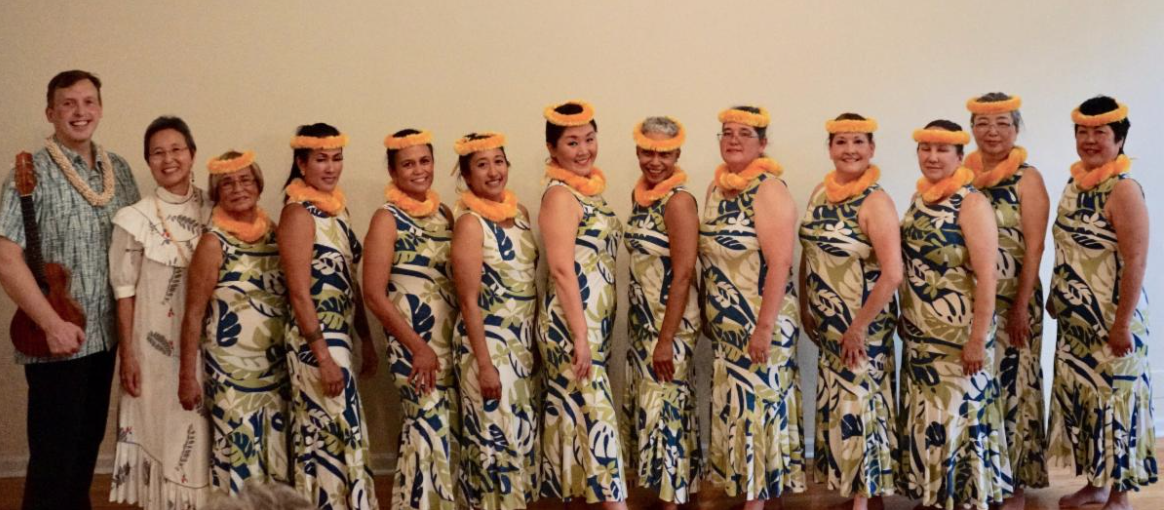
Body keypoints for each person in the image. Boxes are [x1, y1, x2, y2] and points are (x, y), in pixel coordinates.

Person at [0, 69, 140, 510]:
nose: (80, 112)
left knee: (85, 446)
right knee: (53, 456)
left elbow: (138, 244)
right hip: (57, 337)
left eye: (88, 101)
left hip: (106, 335)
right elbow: (5, 257)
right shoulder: (30, 173)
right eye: (68, 103)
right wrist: (51, 324)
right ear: (51, 112)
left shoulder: (119, 169)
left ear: (100, 108)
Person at [1048, 97, 1156, 510]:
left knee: (1115, 409)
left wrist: (1122, 323)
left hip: (1113, 323)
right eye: (1083, 132)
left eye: (1101, 133)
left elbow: (1136, 260)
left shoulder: (1123, 190)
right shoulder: (1074, 184)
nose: (1090, 140)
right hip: (1076, 324)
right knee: (1087, 406)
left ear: (1120, 139)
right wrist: (1057, 295)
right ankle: (1095, 485)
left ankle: (1120, 495)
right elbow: (1067, 248)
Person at [897, 121, 1011, 509]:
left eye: (942, 150)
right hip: (921, 335)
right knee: (928, 414)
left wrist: (978, 339)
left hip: (959, 334)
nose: (932, 157)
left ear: (960, 156)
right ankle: (934, 495)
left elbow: (988, 276)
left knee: (958, 414)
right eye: (925, 148)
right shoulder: (918, 199)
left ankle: (964, 497)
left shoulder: (971, 203)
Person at [700, 105, 804, 510]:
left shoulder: (769, 190)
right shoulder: (715, 190)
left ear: (763, 143)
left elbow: (780, 263)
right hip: (728, 327)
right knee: (739, 410)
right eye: (727, 132)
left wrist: (763, 327)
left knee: (758, 409)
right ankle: (756, 492)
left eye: (744, 134)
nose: (733, 140)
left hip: (763, 321)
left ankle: (756, 501)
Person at [107, 115, 213, 509]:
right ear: (148, 161)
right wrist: (128, 355)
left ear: (192, 154)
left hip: (210, 344)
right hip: (152, 350)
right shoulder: (135, 218)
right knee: (164, 432)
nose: (169, 160)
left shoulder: (215, 208)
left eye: (176, 150)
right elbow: (124, 292)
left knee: (204, 436)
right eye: (157, 153)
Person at [798, 114, 900, 510]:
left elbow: (892, 274)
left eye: (858, 142)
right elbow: (809, 251)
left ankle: (863, 501)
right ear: (830, 148)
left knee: (861, 411)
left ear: (871, 148)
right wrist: (806, 304)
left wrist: (858, 328)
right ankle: (863, 496)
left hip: (862, 330)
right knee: (840, 410)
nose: (850, 150)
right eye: (841, 142)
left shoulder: (877, 201)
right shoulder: (819, 193)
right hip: (829, 328)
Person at [277, 123, 379, 509]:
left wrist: (365, 338)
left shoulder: (338, 211)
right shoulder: (298, 214)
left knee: (344, 432)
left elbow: (349, 281)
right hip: (314, 343)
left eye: (337, 158)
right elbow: (299, 292)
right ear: (302, 164)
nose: (331, 167)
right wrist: (322, 355)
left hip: (341, 339)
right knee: (325, 437)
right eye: (321, 159)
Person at [178, 150, 290, 494]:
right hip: (231, 372)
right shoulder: (213, 243)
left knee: (275, 451)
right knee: (239, 451)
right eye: (227, 183)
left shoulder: (276, 234)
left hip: (275, 368)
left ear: (258, 184)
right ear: (217, 192)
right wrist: (187, 376)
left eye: (245, 180)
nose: (238, 189)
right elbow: (193, 313)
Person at [537, 100, 627, 507]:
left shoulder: (586, 190)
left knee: (580, 420)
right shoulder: (559, 195)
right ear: (552, 148)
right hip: (571, 327)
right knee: (596, 420)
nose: (584, 149)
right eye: (572, 142)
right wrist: (580, 336)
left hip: (591, 327)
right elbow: (560, 269)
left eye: (589, 139)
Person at [363, 129, 458, 510]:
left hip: (449, 343)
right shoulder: (386, 219)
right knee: (426, 429)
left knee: (446, 434)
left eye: (425, 161)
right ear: (392, 170)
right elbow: (373, 293)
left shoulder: (444, 213)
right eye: (408, 164)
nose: (419, 170)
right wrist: (418, 347)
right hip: (413, 346)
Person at [964, 92, 1050, 510]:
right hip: (972, 306)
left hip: (1016, 301)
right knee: (980, 389)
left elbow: (1035, 247)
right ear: (972, 129)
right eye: (983, 123)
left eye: (1002, 123)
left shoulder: (1027, 179)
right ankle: (981, 477)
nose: (992, 132)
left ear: (1016, 129)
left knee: (1015, 387)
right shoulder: (960, 174)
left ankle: (1015, 481)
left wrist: (1020, 306)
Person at [449, 132, 540, 510]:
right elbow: (468, 301)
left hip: (521, 348)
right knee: (493, 439)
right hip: (487, 348)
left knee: (518, 437)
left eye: (498, 162)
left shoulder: (521, 215)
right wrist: (485, 365)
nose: (493, 172)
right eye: (482, 165)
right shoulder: (470, 224)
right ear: (467, 175)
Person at [620, 116, 701, 510]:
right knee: (655, 410)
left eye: (664, 153)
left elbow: (684, 273)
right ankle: (672, 494)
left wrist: (666, 339)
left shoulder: (679, 202)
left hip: (670, 324)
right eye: (647, 151)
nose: (655, 161)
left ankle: (673, 501)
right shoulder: (641, 196)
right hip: (643, 321)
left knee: (666, 409)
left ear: (677, 154)